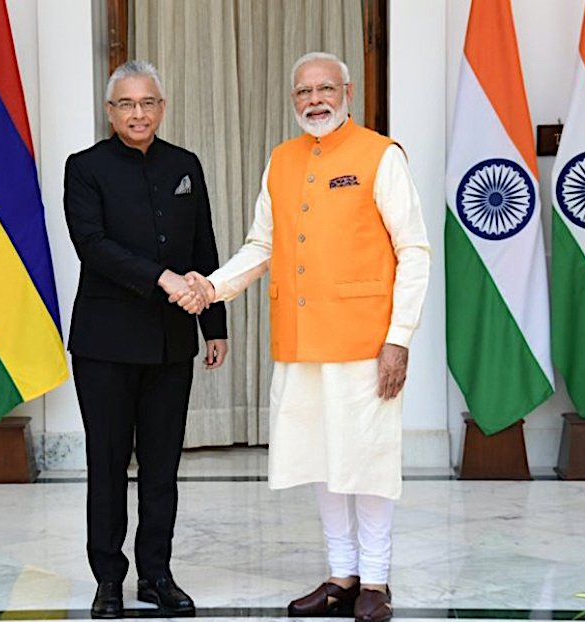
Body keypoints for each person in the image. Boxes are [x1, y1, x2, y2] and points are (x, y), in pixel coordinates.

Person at [174, 52, 430, 622]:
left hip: (367, 343)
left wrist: (400, 338)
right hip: (299, 340)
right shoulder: (282, 160)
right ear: (293, 100)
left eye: (324, 89)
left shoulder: (380, 155)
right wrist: (209, 288)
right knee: (323, 459)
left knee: (368, 459)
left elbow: (414, 251)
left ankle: (377, 582)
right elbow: (260, 247)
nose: (314, 100)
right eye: (302, 92)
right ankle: (342, 576)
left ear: (348, 92)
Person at [64, 60, 228, 618]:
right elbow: (93, 245)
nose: (139, 113)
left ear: (162, 107)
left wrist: (215, 324)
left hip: (170, 342)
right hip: (105, 344)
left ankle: (156, 574)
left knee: (162, 467)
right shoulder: (84, 168)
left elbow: (204, 245)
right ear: (111, 112)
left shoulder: (185, 165)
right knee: (108, 464)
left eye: (148, 103)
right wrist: (161, 278)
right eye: (127, 104)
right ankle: (108, 578)